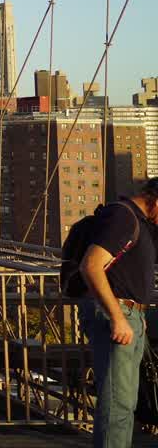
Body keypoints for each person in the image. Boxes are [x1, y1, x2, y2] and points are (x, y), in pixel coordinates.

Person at [80, 177, 158, 448]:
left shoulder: (140, 223)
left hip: (130, 315)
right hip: (118, 314)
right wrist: (118, 317)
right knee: (117, 405)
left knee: (125, 403)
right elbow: (91, 266)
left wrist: (138, 315)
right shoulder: (123, 217)